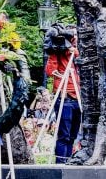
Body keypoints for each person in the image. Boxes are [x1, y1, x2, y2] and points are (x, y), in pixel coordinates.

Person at [44, 24, 80, 164]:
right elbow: (49, 71)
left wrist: (73, 51)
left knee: (72, 135)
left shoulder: (78, 52)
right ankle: (61, 164)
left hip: (78, 98)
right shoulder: (57, 52)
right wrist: (57, 51)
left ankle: (68, 163)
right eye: (73, 36)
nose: (76, 38)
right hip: (65, 98)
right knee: (64, 135)